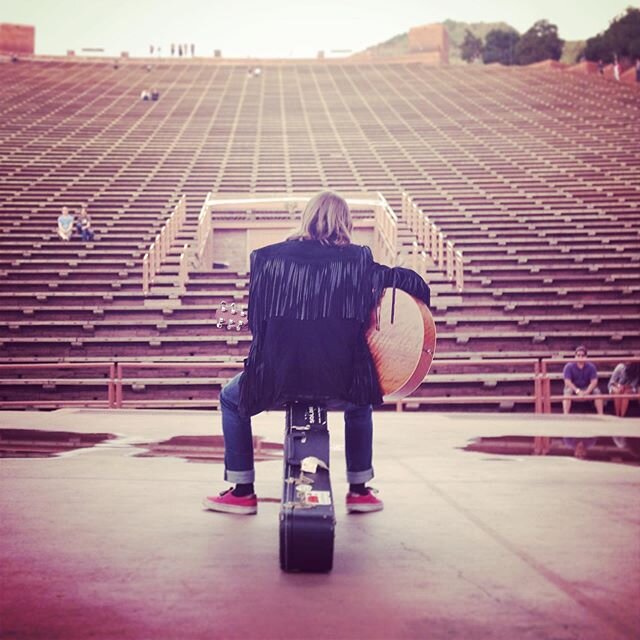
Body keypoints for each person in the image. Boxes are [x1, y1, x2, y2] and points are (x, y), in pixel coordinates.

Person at [203, 191, 431, 515]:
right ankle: (359, 489)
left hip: (276, 382)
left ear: (306, 218)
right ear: (345, 223)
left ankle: (241, 491)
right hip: (340, 383)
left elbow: (258, 327)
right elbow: (415, 284)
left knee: (230, 398)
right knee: (361, 399)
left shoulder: (267, 258)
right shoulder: (359, 260)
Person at [562, 345, 603, 459]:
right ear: (575, 356)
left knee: (597, 391)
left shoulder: (591, 366)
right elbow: (567, 382)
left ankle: (601, 415)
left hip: (587, 388)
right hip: (575, 388)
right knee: (567, 391)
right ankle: (565, 415)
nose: (580, 357)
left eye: (582, 355)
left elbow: (594, 382)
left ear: (586, 357)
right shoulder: (569, 366)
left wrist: (587, 392)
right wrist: (578, 391)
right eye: (578, 355)